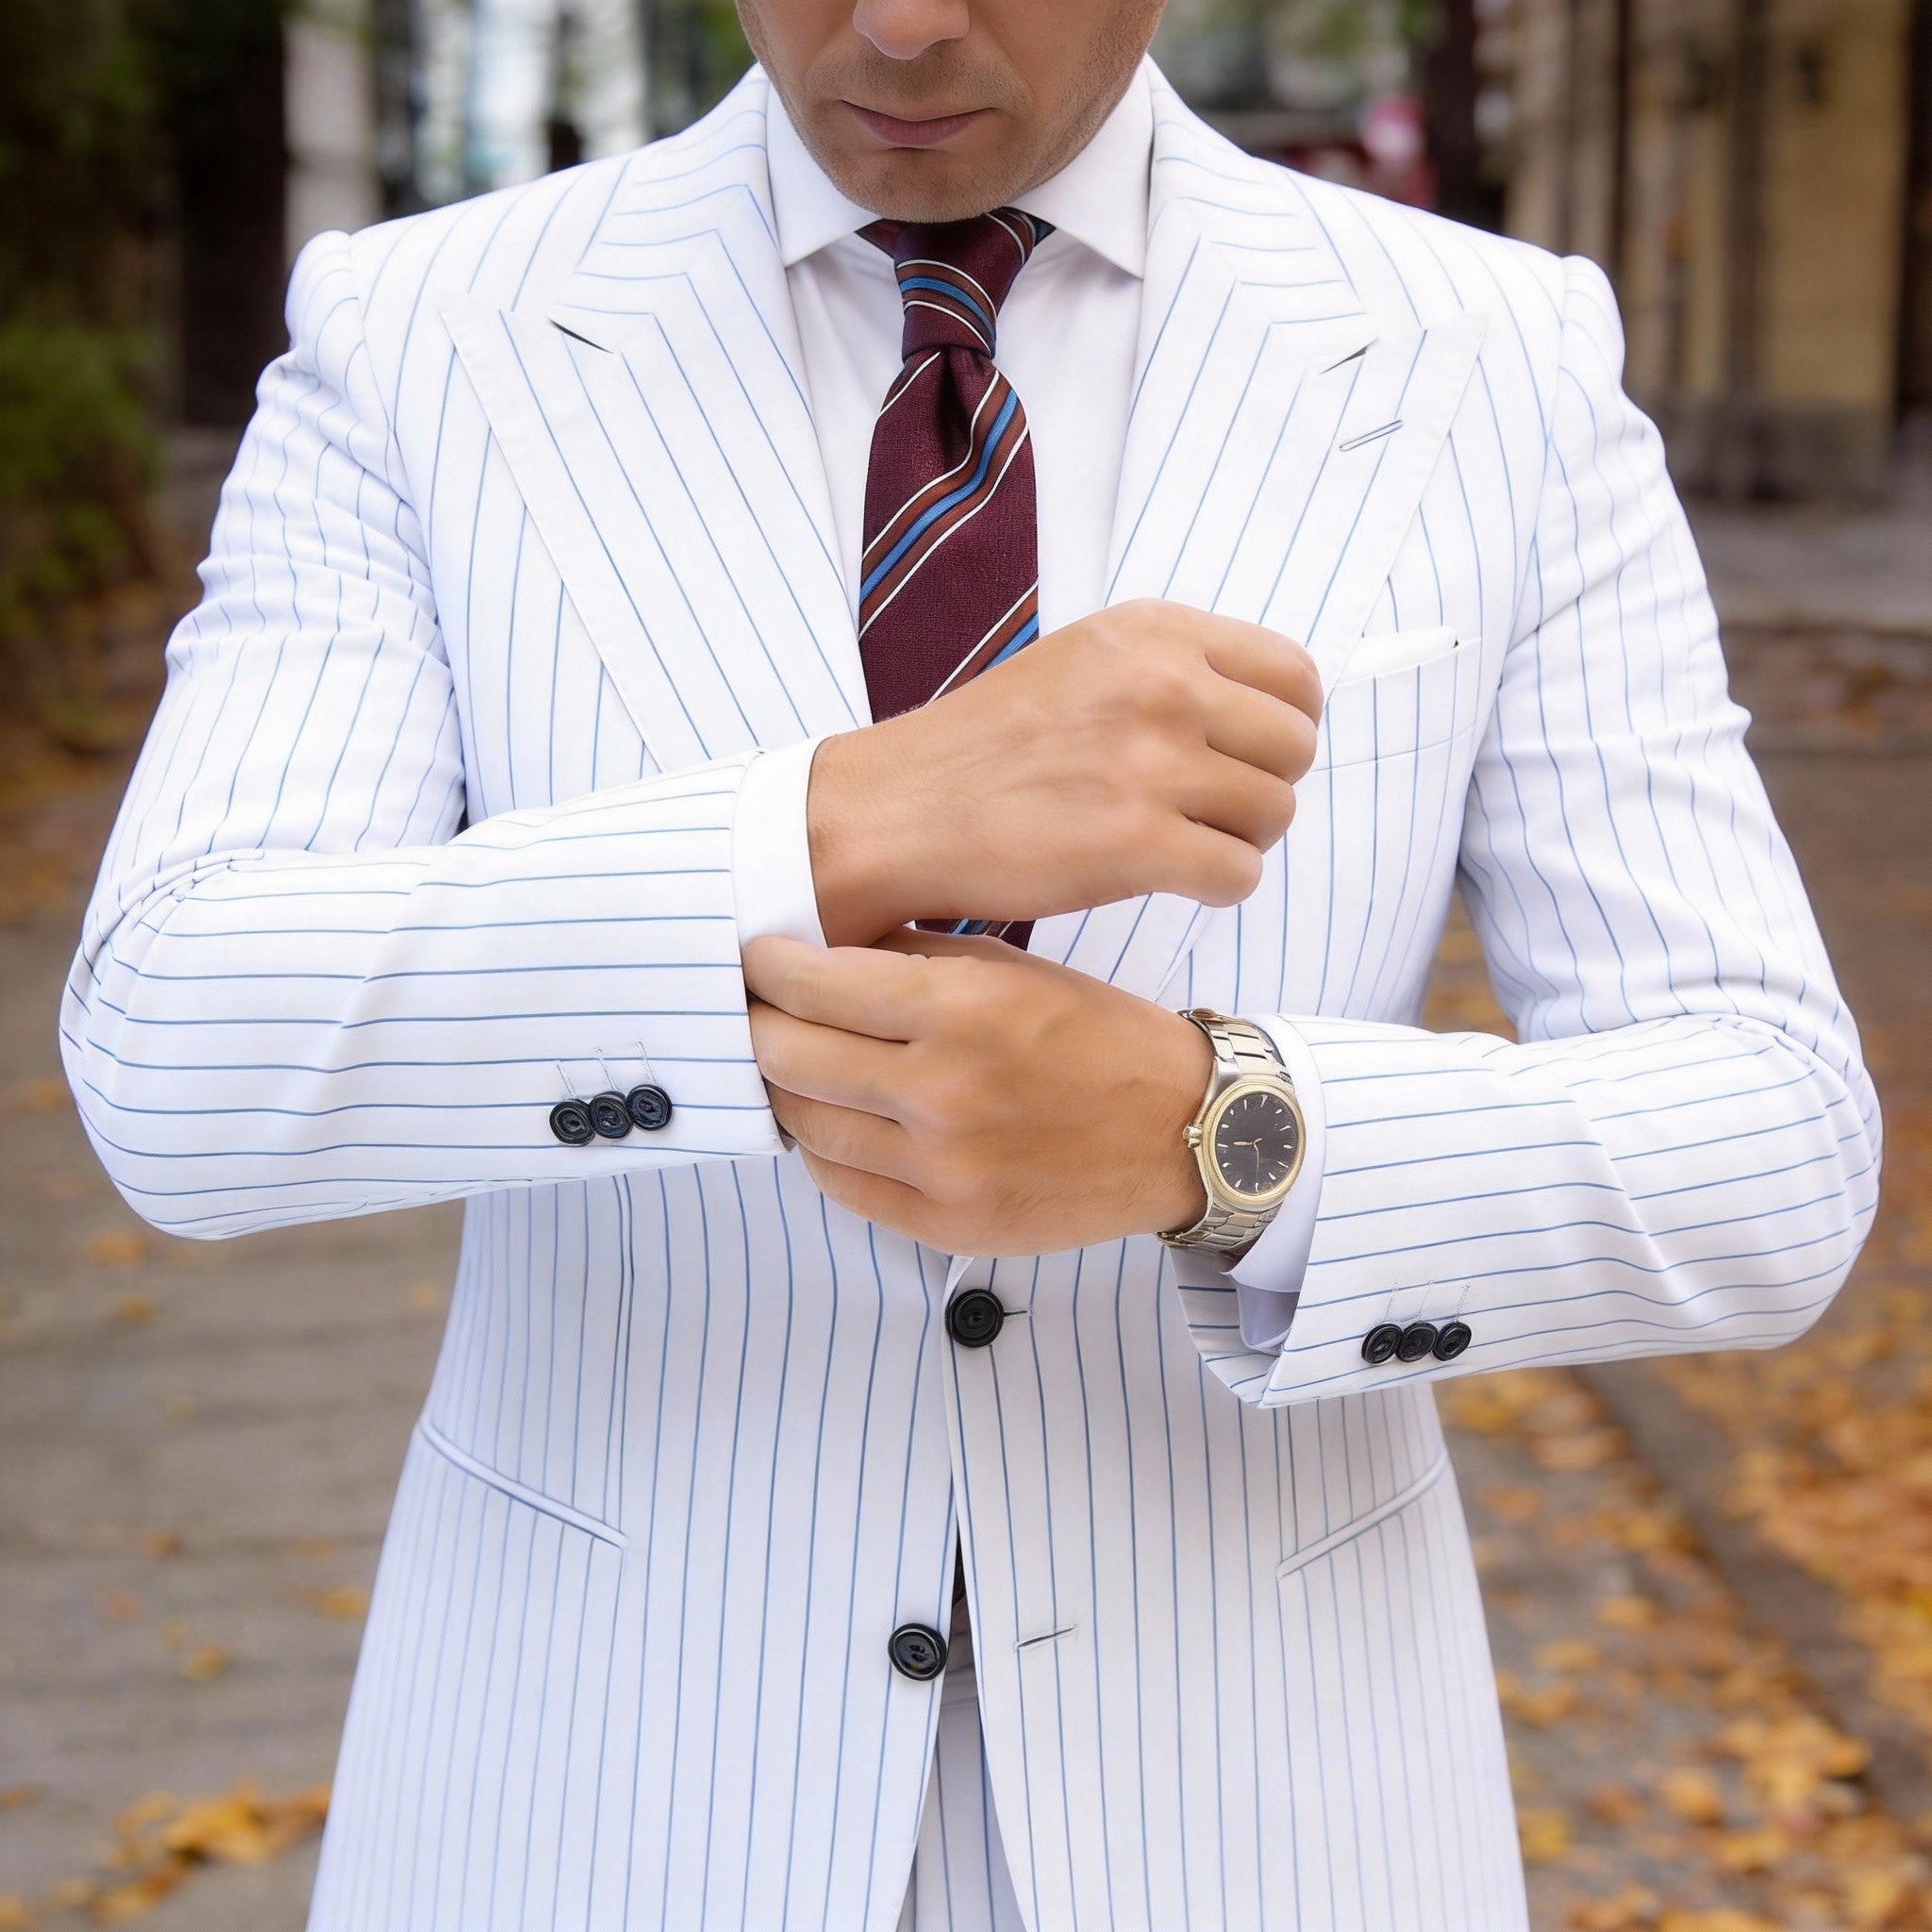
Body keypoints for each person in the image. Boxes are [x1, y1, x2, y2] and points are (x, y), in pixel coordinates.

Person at [62, 0, 1879, 1925]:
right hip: (591, 1803)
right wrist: (842, 825)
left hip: (1267, 1824)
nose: (904, 20)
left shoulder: (1489, 358)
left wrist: (1218, 1129)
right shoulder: (421, 337)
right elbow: (181, 1042)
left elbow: (1768, 1145)